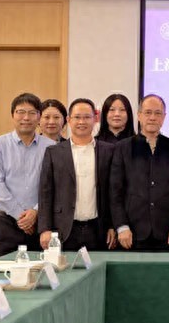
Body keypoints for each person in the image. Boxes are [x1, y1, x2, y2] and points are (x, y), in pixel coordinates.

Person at [110, 94, 169, 251]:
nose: (152, 117)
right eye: (148, 113)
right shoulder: (123, 148)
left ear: (164, 117)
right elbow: (115, 193)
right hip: (131, 233)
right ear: (139, 115)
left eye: (157, 113)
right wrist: (121, 226)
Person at [38, 98, 117, 251]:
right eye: (77, 117)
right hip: (63, 229)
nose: (82, 122)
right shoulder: (54, 152)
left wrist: (113, 225)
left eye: (87, 117)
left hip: (98, 229)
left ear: (95, 119)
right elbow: (45, 193)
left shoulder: (108, 151)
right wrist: (45, 229)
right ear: (68, 120)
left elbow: (113, 192)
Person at [0, 93, 56, 258]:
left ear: (39, 117)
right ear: (13, 115)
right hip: (5, 224)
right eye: (21, 112)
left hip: (39, 224)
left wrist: (35, 212)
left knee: (39, 271)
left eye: (32, 113)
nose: (26, 117)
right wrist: (21, 216)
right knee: (0, 271)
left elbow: (55, 185)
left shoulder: (52, 147)